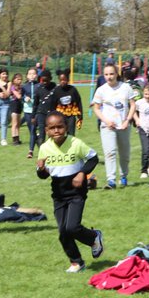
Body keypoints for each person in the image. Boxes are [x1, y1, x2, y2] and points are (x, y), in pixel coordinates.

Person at [37, 111, 103, 273]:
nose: (57, 130)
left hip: (76, 192)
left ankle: (94, 237)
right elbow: (43, 175)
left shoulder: (76, 143)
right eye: (52, 128)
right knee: (62, 231)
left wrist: (82, 173)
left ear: (66, 127)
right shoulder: (45, 148)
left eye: (60, 126)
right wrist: (41, 169)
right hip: (58, 195)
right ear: (46, 130)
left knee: (72, 227)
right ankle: (76, 262)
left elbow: (93, 158)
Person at [89, 64, 135, 188]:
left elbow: (133, 105)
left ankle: (123, 176)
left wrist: (127, 120)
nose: (109, 77)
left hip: (123, 126)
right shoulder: (101, 90)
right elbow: (96, 108)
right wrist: (106, 121)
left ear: (116, 74)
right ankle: (111, 180)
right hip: (107, 127)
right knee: (110, 152)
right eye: (106, 74)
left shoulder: (126, 87)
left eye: (111, 74)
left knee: (124, 154)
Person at [50, 70, 83, 135]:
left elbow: (78, 101)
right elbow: (52, 104)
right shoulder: (56, 90)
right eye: (61, 80)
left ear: (68, 79)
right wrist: (52, 115)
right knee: (60, 134)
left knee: (71, 134)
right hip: (60, 116)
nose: (63, 81)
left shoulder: (73, 90)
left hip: (71, 116)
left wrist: (80, 114)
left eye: (64, 80)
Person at [8, 72, 24, 145]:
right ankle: (14, 139)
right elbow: (18, 96)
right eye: (18, 79)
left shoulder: (21, 87)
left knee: (18, 123)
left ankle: (18, 138)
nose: (19, 81)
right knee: (14, 123)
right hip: (14, 104)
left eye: (21, 79)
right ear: (14, 80)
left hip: (19, 105)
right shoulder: (12, 87)